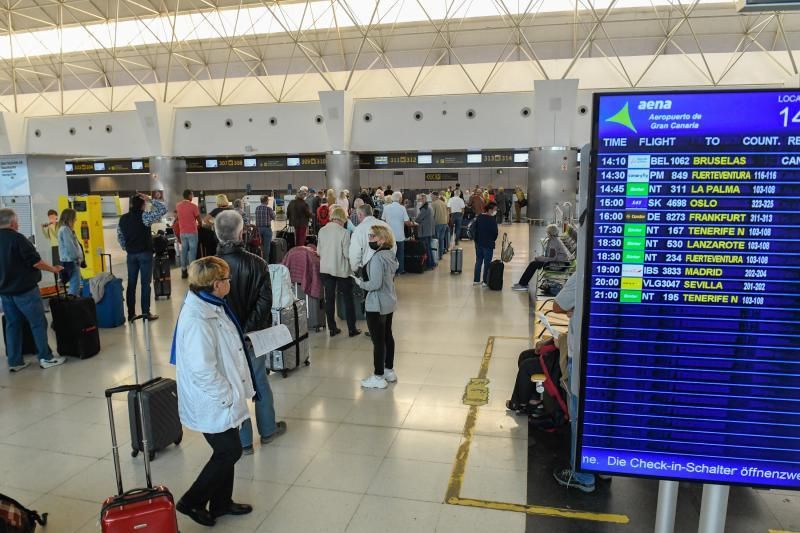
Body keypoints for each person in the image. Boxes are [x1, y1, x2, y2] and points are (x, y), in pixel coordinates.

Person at [173, 256, 255, 527]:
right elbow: (203, 370)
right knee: (229, 451)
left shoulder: (211, 305)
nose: (230, 283)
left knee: (229, 448)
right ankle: (191, 501)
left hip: (221, 395)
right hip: (212, 397)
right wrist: (227, 395)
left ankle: (221, 503)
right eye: (227, 279)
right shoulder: (198, 319)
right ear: (216, 285)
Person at [214, 211, 286, 455]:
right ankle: (267, 431)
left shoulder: (208, 268)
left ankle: (243, 442)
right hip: (252, 338)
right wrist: (246, 332)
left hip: (223, 341)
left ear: (216, 232)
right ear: (241, 231)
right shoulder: (257, 263)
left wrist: (232, 334)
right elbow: (265, 303)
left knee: (235, 388)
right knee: (259, 383)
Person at [0, 208, 66, 371]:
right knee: (37, 323)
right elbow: (35, 262)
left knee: (12, 325)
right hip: (25, 291)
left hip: (5, 293)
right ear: (13, 222)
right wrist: (53, 269)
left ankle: (15, 361)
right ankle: (45, 357)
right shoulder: (18, 239)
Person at [354, 225, 398, 389]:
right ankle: (388, 370)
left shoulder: (378, 258)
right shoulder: (390, 255)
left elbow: (375, 283)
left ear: (383, 239)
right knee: (387, 336)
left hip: (376, 304)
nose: (369, 239)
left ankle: (378, 376)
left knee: (378, 340)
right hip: (389, 300)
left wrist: (360, 283)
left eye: (373, 236)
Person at [117, 192, 166, 321]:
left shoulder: (123, 218)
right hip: (145, 254)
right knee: (145, 283)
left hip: (131, 255)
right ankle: (145, 313)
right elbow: (163, 209)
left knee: (131, 284)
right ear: (143, 205)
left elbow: (120, 236)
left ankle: (131, 314)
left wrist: (125, 247)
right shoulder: (145, 217)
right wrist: (150, 199)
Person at [318, 206, 361, 338]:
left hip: (325, 269)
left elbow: (319, 251)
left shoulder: (322, 230)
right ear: (342, 218)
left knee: (329, 299)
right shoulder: (344, 233)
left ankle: (332, 328)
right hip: (341, 270)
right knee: (348, 298)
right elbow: (347, 254)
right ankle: (352, 329)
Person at [511, 224, 573, 291]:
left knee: (533, 264)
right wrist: (541, 258)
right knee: (534, 263)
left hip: (557, 265)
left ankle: (523, 284)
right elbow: (551, 256)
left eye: (547, 232)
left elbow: (552, 258)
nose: (546, 233)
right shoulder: (555, 240)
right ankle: (523, 283)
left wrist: (540, 258)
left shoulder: (553, 242)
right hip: (558, 263)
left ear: (550, 233)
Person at [349, 204, 396, 274]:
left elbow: (355, 252)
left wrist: (355, 268)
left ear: (360, 215)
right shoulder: (386, 225)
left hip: (367, 270)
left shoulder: (359, 229)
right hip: (386, 267)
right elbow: (393, 246)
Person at [56, 208, 84, 296]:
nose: (76, 219)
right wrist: (77, 258)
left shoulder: (64, 229)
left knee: (75, 284)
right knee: (74, 286)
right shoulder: (65, 230)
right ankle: (73, 305)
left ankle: (73, 302)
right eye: (74, 217)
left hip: (69, 261)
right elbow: (70, 246)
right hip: (71, 261)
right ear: (70, 218)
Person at [382, 192, 411, 275]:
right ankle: (400, 270)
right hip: (399, 235)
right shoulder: (402, 208)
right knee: (400, 253)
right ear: (400, 199)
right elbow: (407, 222)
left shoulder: (386, 208)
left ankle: (391, 270)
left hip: (389, 235)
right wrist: (411, 223)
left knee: (390, 253)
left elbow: (383, 220)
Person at [176, 189, 202, 279]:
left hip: (182, 232)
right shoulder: (193, 206)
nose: (193, 196)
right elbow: (198, 218)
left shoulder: (178, 206)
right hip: (192, 232)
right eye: (192, 195)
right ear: (189, 195)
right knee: (192, 252)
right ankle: (192, 272)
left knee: (183, 252)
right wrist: (200, 225)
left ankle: (183, 271)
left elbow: (178, 216)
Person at [472, 201, 499, 287]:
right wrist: (492, 240)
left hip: (478, 242)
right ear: (490, 210)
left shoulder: (479, 217)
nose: (496, 211)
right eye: (495, 209)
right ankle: (485, 281)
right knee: (487, 263)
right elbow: (495, 233)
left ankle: (476, 280)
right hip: (488, 244)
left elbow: (474, 229)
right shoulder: (492, 220)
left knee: (478, 261)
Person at [414, 193, 435, 269]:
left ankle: (429, 264)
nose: (418, 201)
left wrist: (414, 220)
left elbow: (418, 219)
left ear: (424, 199)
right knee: (429, 247)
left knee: (426, 248)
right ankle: (432, 263)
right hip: (429, 231)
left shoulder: (424, 208)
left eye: (420, 199)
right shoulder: (429, 207)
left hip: (424, 231)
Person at [254, 196, 275, 262]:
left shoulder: (257, 208)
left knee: (259, 246)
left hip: (258, 229)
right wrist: (269, 219)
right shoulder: (269, 209)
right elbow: (274, 217)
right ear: (266, 201)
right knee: (267, 246)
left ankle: (259, 260)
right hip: (267, 229)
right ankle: (266, 262)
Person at [431, 191, 449, 260]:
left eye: (432, 196)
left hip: (437, 224)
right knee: (441, 240)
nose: (431, 197)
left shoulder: (434, 204)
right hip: (444, 223)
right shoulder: (443, 203)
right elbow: (447, 213)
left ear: (435, 196)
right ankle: (440, 255)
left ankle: (436, 256)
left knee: (436, 240)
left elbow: (432, 215)